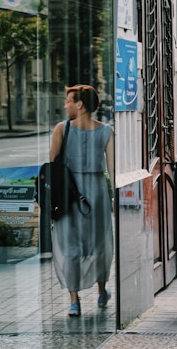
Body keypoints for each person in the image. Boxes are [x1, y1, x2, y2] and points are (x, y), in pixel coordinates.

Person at [50, 84, 114, 317]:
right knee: (99, 244)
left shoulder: (61, 129)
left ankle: (74, 301)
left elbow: (53, 167)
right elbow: (113, 169)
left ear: (80, 104)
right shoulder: (106, 131)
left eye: (68, 100)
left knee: (70, 246)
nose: (65, 104)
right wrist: (115, 197)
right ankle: (101, 289)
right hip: (97, 193)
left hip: (69, 193)